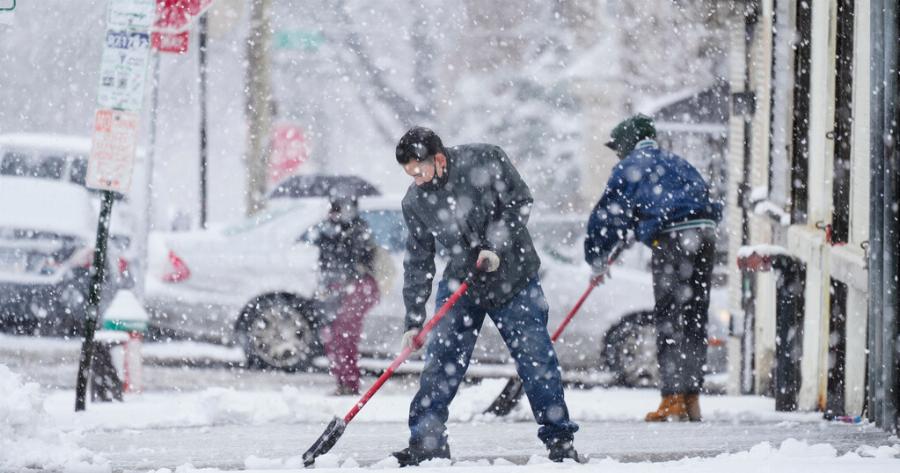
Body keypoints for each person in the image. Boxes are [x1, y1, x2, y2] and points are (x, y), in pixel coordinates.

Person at [392, 126, 580, 465]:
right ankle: (427, 442)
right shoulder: (415, 201)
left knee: (536, 359)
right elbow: (418, 262)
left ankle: (559, 440)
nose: (417, 179)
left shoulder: (485, 159)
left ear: (438, 158)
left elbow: (520, 201)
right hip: (463, 282)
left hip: (513, 277)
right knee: (441, 362)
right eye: (410, 174)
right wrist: (413, 321)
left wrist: (496, 246)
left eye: (420, 171)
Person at [584, 114, 722, 422]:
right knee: (694, 316)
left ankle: (672, 399)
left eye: (618, 147)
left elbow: (607, 216)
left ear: (627, 144)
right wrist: (644, 226)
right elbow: (695, 201)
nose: (617, 153)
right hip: (705, 235)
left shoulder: (629, 167)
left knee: (669, 317)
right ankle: (691, 397)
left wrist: (597, 257)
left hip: (674, 241)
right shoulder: (677, 162)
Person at [313, 192, 380, 396]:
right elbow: (324, 261)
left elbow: (361, 259)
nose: (334, 214)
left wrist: (345, 237)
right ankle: (342, 380)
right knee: (332, 335)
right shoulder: (327, 231)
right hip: (334, 286)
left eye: (338, 209)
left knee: (345, 334)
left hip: (356, 286)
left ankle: (349, 382)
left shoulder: (358, 230)